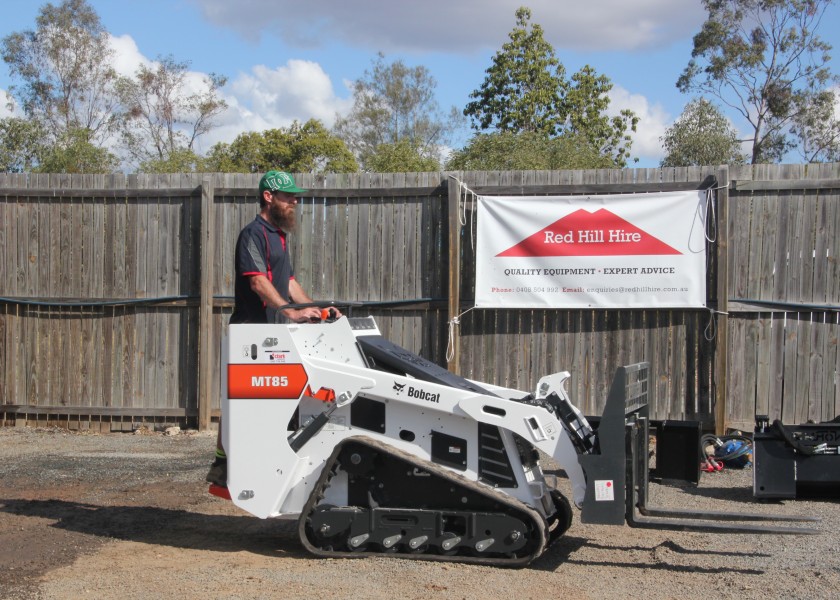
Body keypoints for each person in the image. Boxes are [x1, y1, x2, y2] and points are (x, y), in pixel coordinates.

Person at [206, 170, 341, 488]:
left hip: (275, 332)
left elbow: (289, 282)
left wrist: (318, 311)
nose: (294, 200)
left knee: (280, 399)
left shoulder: (279, 236)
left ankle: (273, 463)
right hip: (251, 332)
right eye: (288, 196)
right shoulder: (253, 234)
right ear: (269, 196)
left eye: (295, 196)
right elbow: (257, 281)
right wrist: (291, 312)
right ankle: (222, 464)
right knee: (239, 400)